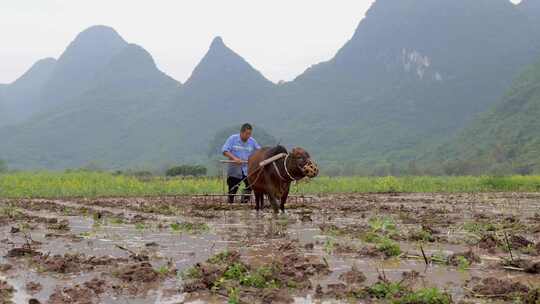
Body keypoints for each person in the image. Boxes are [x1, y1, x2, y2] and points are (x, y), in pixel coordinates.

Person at [222, 123, 261, 204]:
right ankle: (230, 203)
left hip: (247, 169)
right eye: (247, 134)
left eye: (250, 134)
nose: (248, 136)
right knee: (233, 187)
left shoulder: (252, 141)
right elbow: (225, 151)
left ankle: (244, 203)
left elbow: (259, 151)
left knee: (249, 185)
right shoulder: (232, 139)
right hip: (235, 168)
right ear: (241, 132)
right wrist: (235, 158)